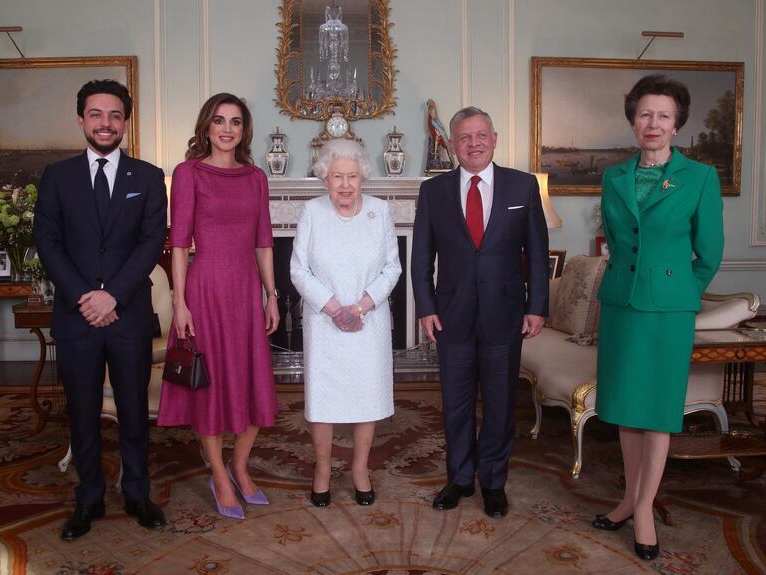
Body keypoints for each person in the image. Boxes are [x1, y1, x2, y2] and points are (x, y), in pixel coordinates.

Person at [592, 75, 724, 561]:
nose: (653, 123)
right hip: (623, 304)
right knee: (627, 408)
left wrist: (677, 292)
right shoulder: (614, 176)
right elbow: (615, 238)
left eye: (663, 115)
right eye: (645, 114)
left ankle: (645, 508)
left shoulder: (700, 178)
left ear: (676, 124)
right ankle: (628, 497)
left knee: (658, 412)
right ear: (632, 120)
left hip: (668, 311)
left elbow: (708, 255)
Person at [34, 79, 168, 540]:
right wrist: (85, 298)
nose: (105, 123)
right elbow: (48, 243)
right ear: (81, 120)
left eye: (114, 115)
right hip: (77, 318)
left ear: (126, 124)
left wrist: (113, 295)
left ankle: (137, 493)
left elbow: (152, 242)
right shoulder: (57, 176)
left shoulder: (149, 177)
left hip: (127, 314)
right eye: (96, 114)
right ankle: (88, 496)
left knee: (133, 412)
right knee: (83, 412)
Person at [411, 106, 549, 518]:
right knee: (455, 402)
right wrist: (425, 308)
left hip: (505, 313)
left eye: (481, 135)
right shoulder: (433, 191)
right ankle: (458, 479)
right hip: (450, 315)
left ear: (495, 138)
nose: (474, 144)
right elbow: (421, 257)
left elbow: (537, 255)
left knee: (500, 401)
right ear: (452, 145)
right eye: (464, 138)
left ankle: (493, 481)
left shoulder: (522, 187)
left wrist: (537, 306)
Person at [157, 93, 279, 520]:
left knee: (252, 383)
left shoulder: (255, 177)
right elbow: (178, 244)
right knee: (208, 389)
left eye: (236, 122)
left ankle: (240, 467)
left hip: (246, 293)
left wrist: (272, 295)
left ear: (244, 130)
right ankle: (220, 477)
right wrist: (181, 302)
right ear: (206, 126)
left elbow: (264, 241)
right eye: (220, 121)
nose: (228, 129)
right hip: (205, 291)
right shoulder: (188, 173)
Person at [290, 139, 401, 507]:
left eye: (352, 176)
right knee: (324, 399)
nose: (345, 185)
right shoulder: (311, 212)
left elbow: (392, 267)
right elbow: (298, 270)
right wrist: (335, 308)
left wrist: (363, 305)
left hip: (368, 323)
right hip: (325, 324)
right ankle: (322, 470)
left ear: (362, 178)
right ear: (324, 178)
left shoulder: (380, 211)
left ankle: (359, 469)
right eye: (336, 176)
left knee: (366, 397)